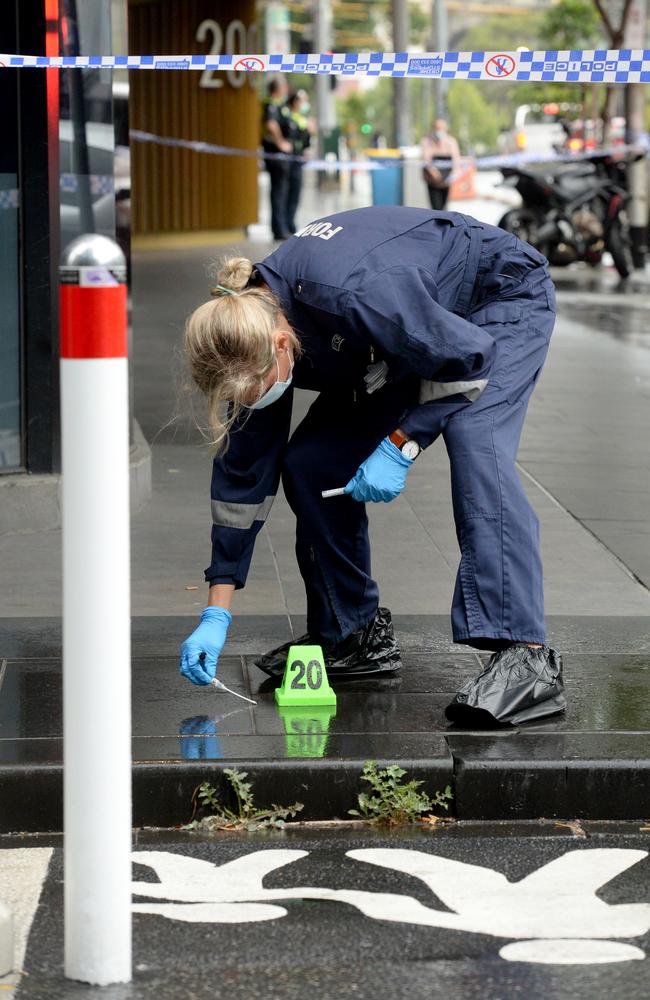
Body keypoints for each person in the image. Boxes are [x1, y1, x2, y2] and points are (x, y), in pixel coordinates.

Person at [178, 206, 566, 727]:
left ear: (281, 343)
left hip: (495, 298)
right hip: (408, 330)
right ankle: (351, 633)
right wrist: (216, 608)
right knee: (313, 463)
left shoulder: (355, 293)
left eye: (256, 387)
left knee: (477, 440)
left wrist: (402, 444)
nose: (255, 399)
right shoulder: (245, 325)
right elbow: (243, 472)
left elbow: (468, 362)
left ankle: (527, 658)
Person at [261, 76, 292, 240]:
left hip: (279, 155)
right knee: (278, 192)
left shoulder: (279, 105)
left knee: (281, 191)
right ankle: (279, 229)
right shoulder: (271, 104)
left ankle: (281, 227)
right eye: (284, 86)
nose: (286, 88)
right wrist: (281, 143)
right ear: (277, 88)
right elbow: (271, 125)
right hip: (275, 154)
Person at [284, 89, 312, 235]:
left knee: (295, 193)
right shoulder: (287, 117)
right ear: (295, 102)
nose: (304, 104)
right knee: (285, 193)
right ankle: (283, 225)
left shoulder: (303, 119)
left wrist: (307, 149)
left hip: (298, 161)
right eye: (302, 100)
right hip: (287, 160)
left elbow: (306, 140)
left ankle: (291, 224)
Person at [421, 118, 460, 211]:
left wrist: (452, 175)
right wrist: (435, 174)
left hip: (446, 181)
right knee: (436, 207)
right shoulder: (426, 141)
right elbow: (426, 160)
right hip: (433, 181)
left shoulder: (451, 141)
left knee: (444, 207)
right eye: (437, 128)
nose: (439, 130)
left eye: (442, 128)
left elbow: (456, 160)